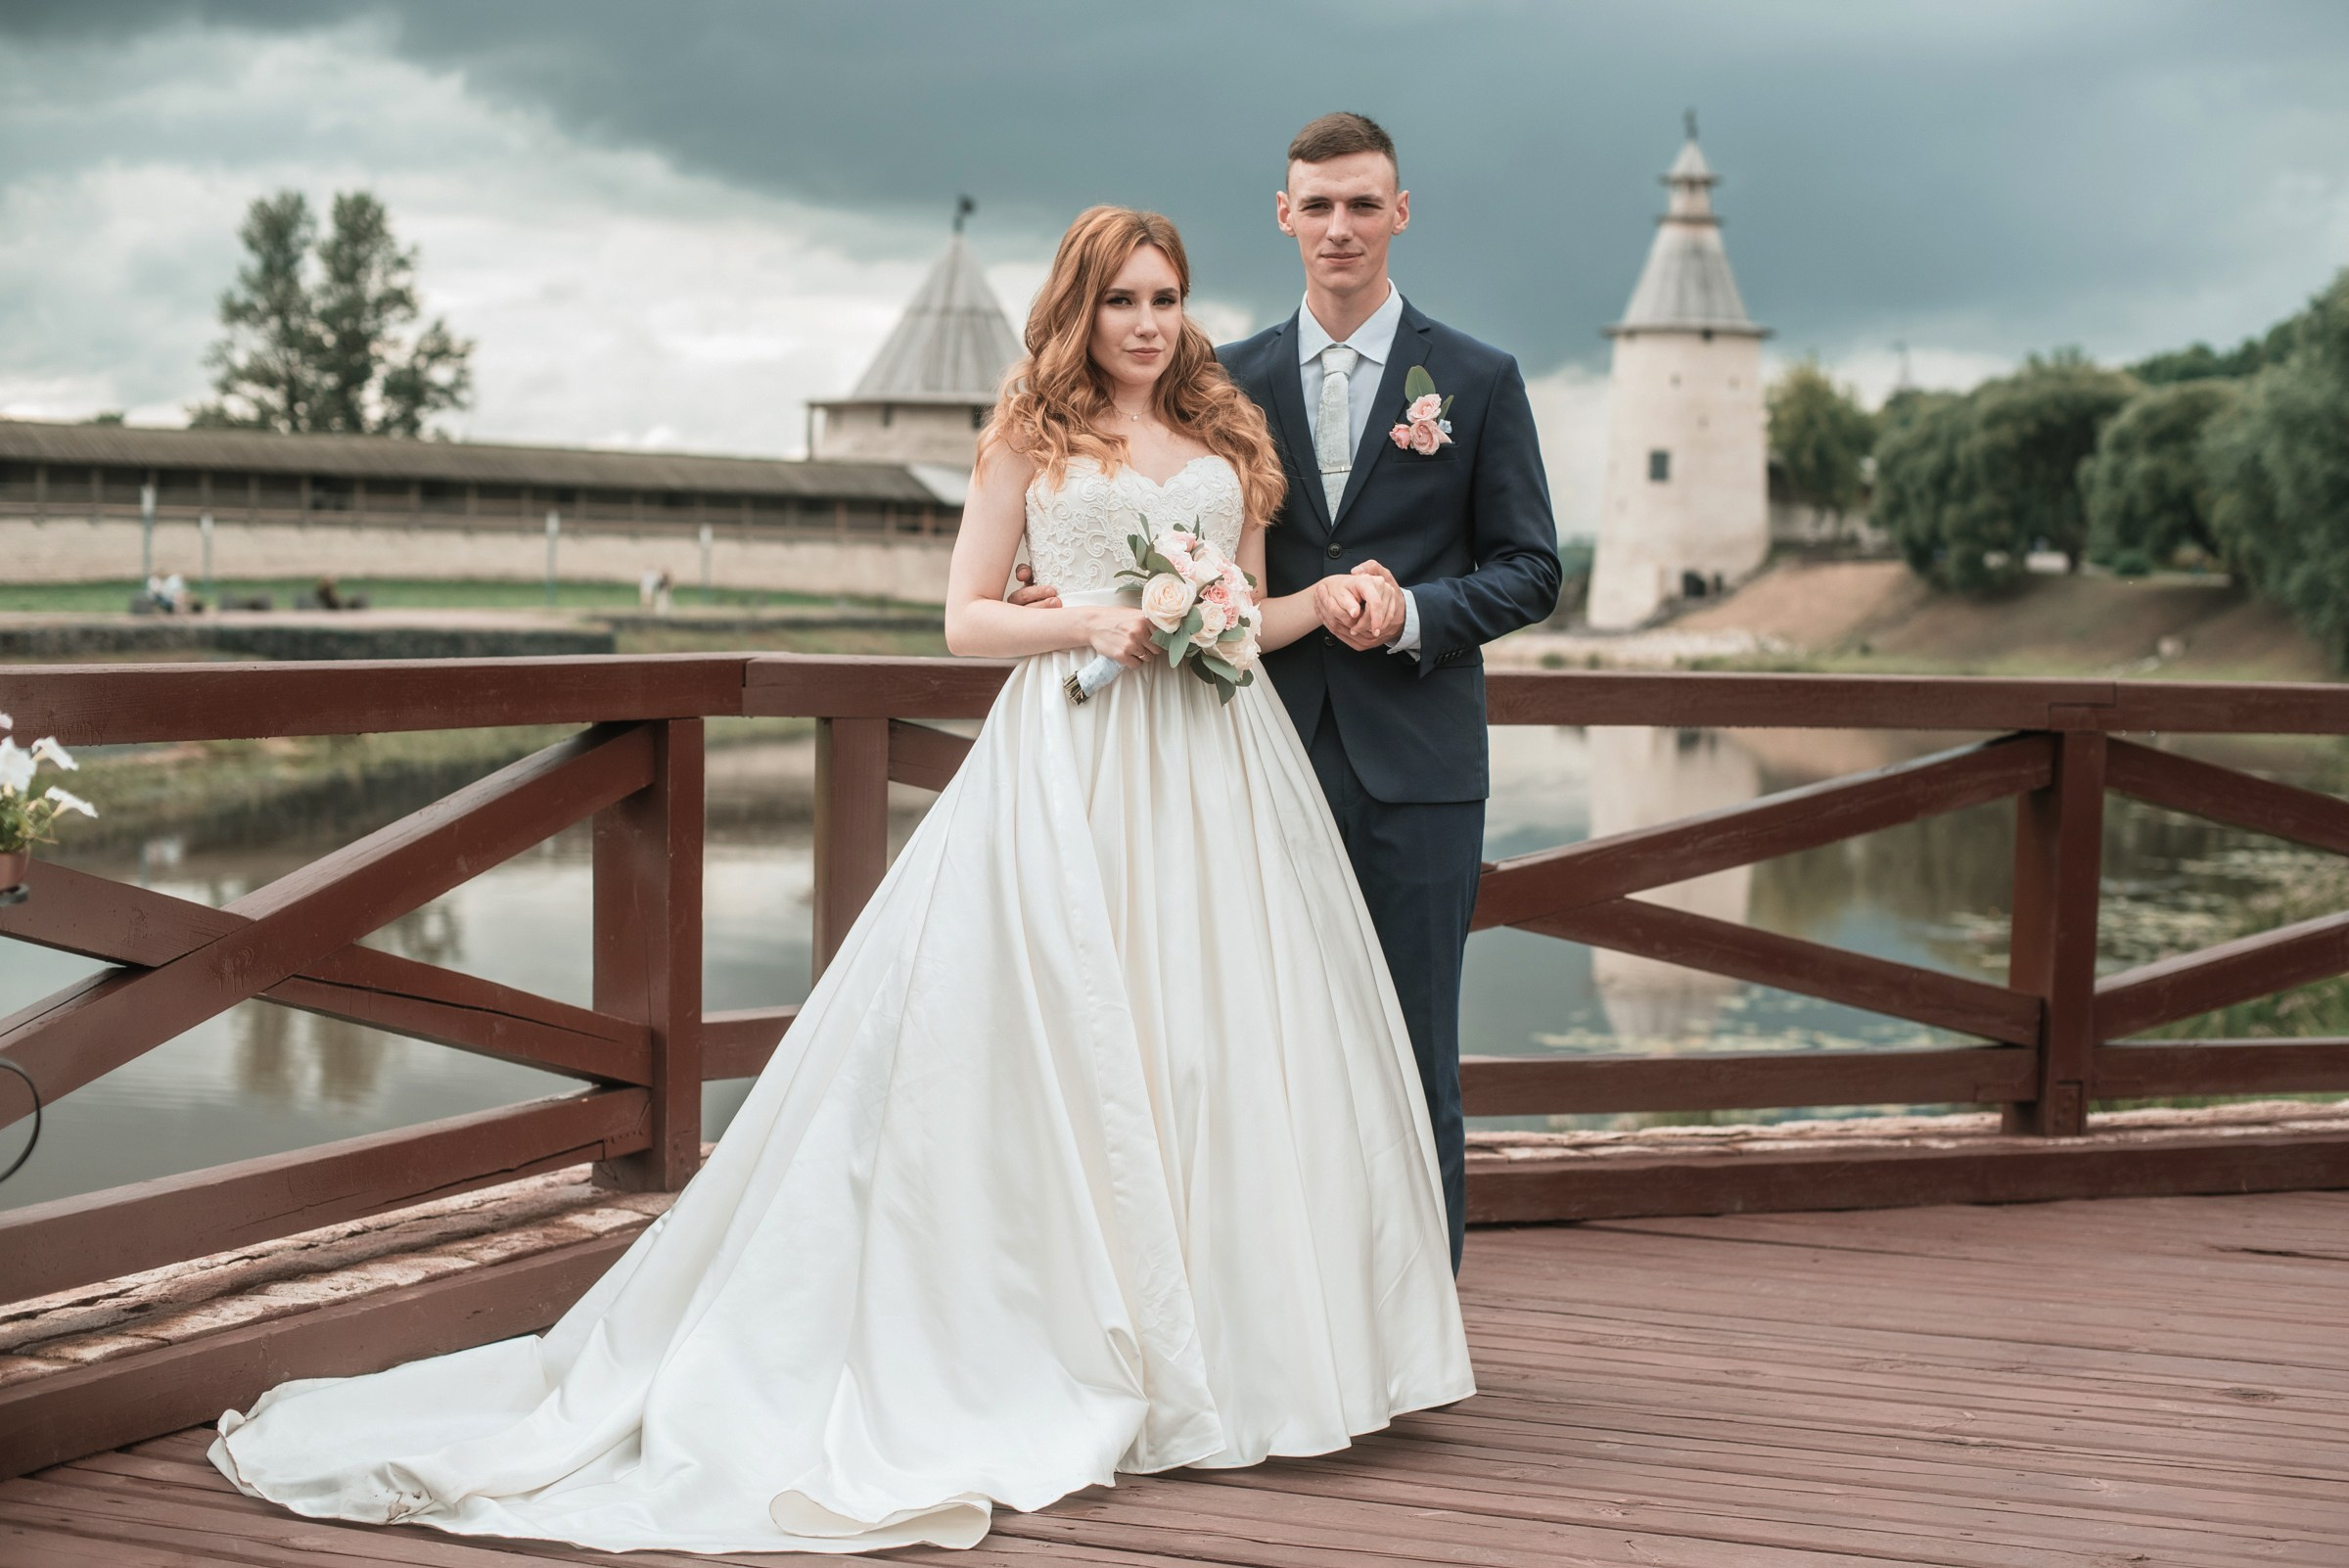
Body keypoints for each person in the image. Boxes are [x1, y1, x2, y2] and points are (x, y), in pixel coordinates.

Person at [204, 203, 1472, 1556]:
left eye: (1165, 298)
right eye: (1121, 301)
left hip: (1218, 770)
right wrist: (1102, 617)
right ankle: (1049, 1331)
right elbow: (967, 616)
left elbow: (1248, 613)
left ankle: (1229, 1355)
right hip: (1074, 759)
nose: (1148, 324)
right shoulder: (1028, 437)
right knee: (1049, 1041)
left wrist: (1325, 605)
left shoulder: (1229, 440)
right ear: (1079, 309)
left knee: (1218, 1047)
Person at [1018, 114, 1561, 1269]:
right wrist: (1057, 589)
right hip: (1245, 763)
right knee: (1258, 1053)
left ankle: (1419, 1321)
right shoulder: (1220, 378)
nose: (1340, 227)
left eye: (1363, 203)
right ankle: (1290, 1313)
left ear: (1399, 213)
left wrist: (1410, 611)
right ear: (1284, 217)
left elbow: (1531, 569)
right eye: (1317, 205)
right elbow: (1144, 510)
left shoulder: (1476, 378)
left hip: (1417, 772)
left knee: (1415, 1053)